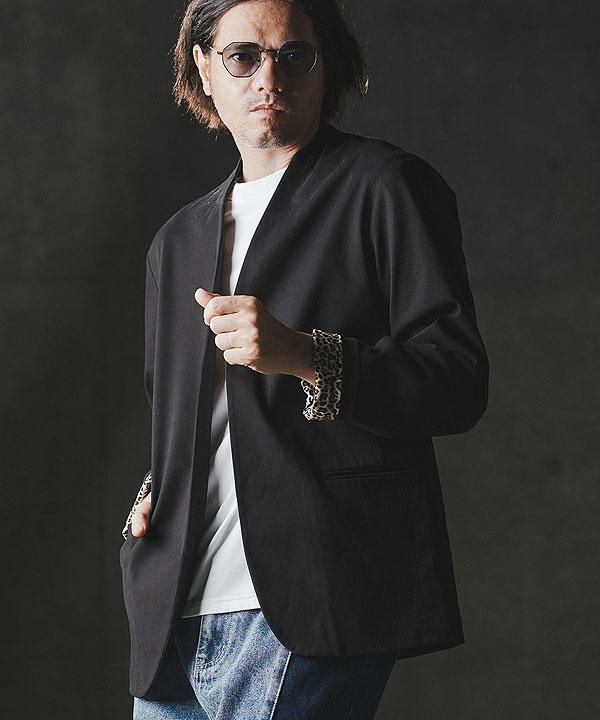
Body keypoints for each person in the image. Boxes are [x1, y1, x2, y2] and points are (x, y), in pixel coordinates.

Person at [119, 0, 490, 717]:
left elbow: (457, 380)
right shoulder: (177, 240)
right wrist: (158, 485)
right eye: (243, 56)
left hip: (317, 591)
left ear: (326, 65)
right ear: (204, 67)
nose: (270, 77)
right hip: (174, 612)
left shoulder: (385, 186)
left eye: (294, 55)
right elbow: (187, 416)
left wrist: (304, 355)